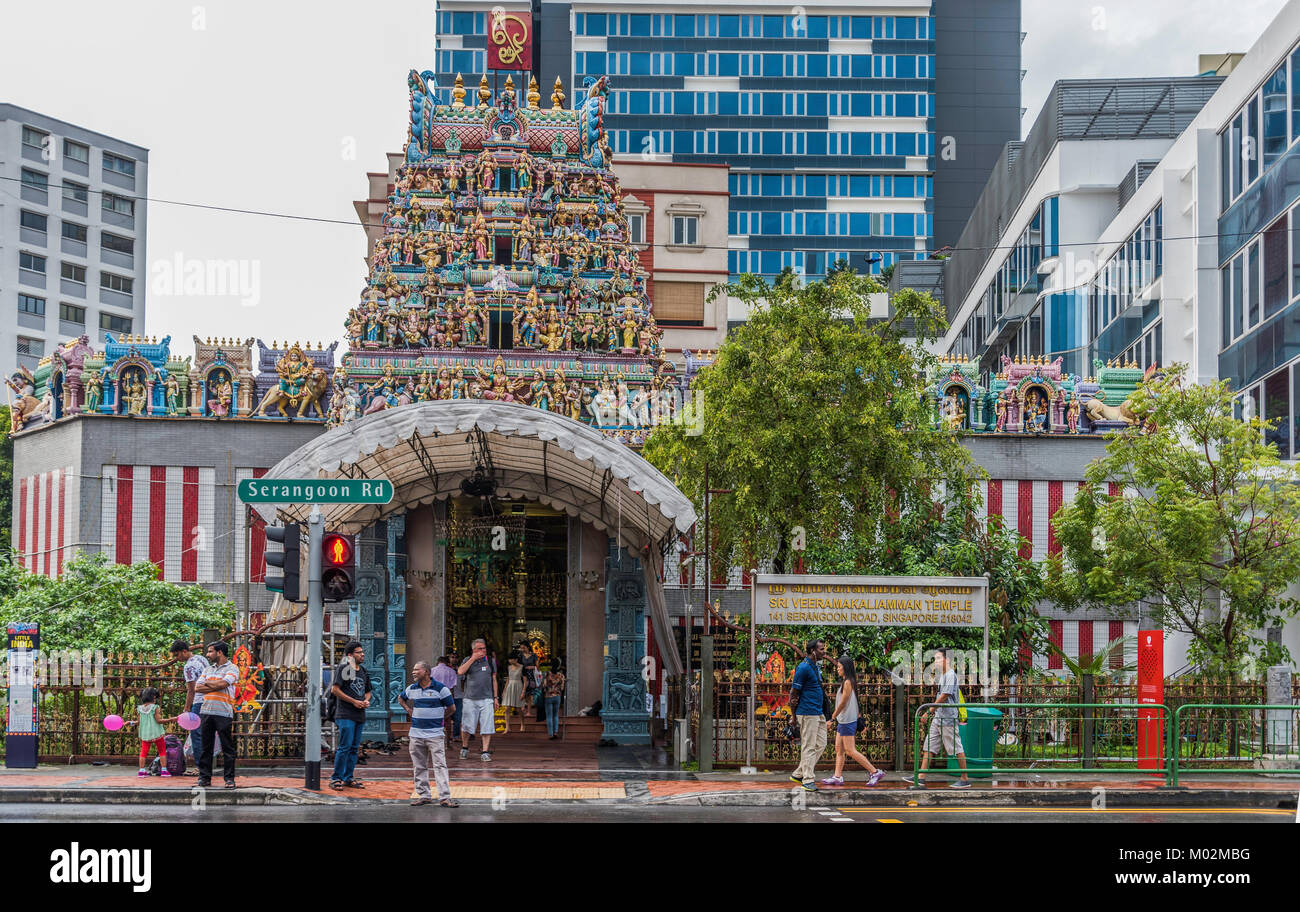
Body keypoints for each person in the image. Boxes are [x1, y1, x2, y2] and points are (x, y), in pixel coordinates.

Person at [399, 661, 459, 808]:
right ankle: (424, 795)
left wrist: (440, 718)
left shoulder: (441, 689)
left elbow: (452, 708)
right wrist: (408, 709)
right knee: (419, 766)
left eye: (416, 670)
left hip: (435, 734)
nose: (413, 672)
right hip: (416, 734)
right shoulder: (411, 688)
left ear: (426, 672)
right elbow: (401, 698)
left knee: (440, 765)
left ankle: (445, 797)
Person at [910, 647, 971, 789]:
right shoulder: (943, 676)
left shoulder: (950, 675)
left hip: (948, 718)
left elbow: (944, 696)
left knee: (956, 747)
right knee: (929, 746)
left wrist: (929, 711)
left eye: (938, 658)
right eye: (935, 659)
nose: (935, 662)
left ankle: (965, 778)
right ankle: (921, 777)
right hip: (939, 717)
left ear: (947, 659)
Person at [821, 655, 884, 787]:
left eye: (839, 666)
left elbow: (843, 702)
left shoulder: (848, 682)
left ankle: (875, 772)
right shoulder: (848, 681)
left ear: (845, 667)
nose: (837, 669)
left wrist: (832, 717)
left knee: (850, 750)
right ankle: (837, 776)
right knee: (839, 749)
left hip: (847, 721)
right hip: (844, 720)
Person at [194, 641, 239, 789]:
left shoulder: (232, 668)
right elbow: (197, 687)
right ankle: (204, 777)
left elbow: (224, 684)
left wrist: (209, 685)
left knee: (227, 747)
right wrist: (216, 685)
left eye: (210, 651)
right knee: (206, 747)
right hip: (206, 711)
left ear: (219, 652)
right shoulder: (208, 669)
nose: (207, 655)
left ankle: (229, 779)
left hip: (223, 712)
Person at [788, 639, 828, 792]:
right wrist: (793, 717)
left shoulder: (815, 667)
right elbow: (793, 692)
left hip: (818, 711)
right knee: (809, 746)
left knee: (821, 744)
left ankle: (799, 773)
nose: (824, 652)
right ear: (813, 651)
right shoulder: (803, 668)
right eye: (821, 649)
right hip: (807, 712)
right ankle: (808, 780)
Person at [330, 641, 371, 790]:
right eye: (358, 652)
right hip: (345, 713)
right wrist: (354, 701)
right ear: (350, 655)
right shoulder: (344, 669)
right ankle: (336, 778)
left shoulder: (363, 671)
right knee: (344, 747)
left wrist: (365, 701)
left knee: (354, 747)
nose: (362, 654)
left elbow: (368, 691)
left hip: (359, 714)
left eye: (362, 652)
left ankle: (348, 777)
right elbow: (335, 690)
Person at [170, 638, 208, 775]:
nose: (176, 658)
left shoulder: (188, 666)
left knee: (196, 733)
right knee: (205, 734)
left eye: (177, 655)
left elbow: (191, 690)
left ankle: (200, 766)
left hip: (198, 701)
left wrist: (186, 708)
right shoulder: (202, 659)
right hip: (209, 699)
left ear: (184, 651)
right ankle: (206, 765)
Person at [458, 639, 499, 761]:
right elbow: (460, 672)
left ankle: (485, 751)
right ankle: (465, 747)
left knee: (487, 725)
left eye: (484, 648)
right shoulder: (467, 660)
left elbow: (494, 679)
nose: (483, 651)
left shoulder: (490, 661)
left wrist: (496, 697)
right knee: (466, 725)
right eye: (480, 649)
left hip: (487, 698)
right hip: (470, 698)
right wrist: (473, 658)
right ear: (474, 650)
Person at [134, 686, 171, 778]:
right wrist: (171, 719)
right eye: (155, 697)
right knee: (162, 751)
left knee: (143, 752)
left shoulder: (139, 708)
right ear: (152, 697)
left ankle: (141, 771)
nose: (155, 699)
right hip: (156, 733)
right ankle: (164, 770)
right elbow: (159, 720)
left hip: (145, 734)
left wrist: (130, 722)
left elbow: (138, 722)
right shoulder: (155, 707)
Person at [430, 655, 460, 737]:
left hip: (434, 696)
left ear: (437, 662)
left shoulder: (432, 671)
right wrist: (452, 700)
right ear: (447, 663)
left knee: (433, 718)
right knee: (447, 719)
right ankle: (448, 741)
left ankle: (433, 736)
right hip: (446, 696)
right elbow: (452, 687)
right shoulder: (451, 671)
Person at [501, 654, 527, 732]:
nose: (510, 661)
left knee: (519, 708)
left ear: (516, 659)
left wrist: (523, 691)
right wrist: (504, 691)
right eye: (509, 659)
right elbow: (508, 679)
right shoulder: (509, 667)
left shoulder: (522, 667)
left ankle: (522, 724)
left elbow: (525, 681)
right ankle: (507, 727)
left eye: (511, 659)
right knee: (507, 708)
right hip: (510, 687)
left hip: (518, 686)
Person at [542, 665, 566, 740]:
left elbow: (544, 685)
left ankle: (550, 734)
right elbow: (562, 688)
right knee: (555, 715)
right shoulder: (561, 676)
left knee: (549, 716)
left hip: (548, 696)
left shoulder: (547, 675)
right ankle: (555, 732)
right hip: (557, 696)